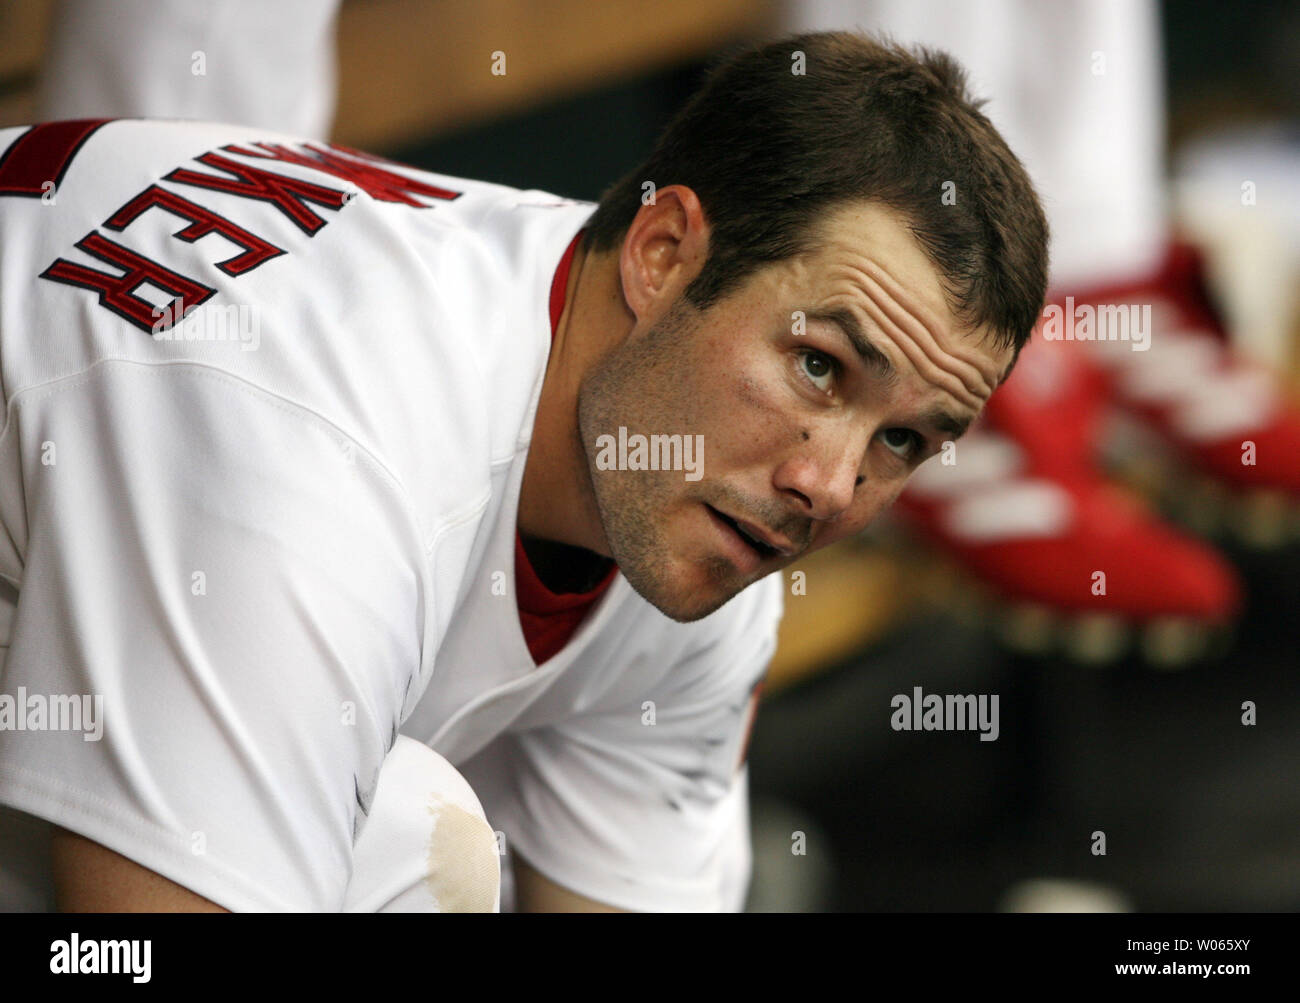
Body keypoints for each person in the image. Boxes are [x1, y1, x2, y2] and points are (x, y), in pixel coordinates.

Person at [0, 31, 1047, 912]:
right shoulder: (318, 449)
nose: (829, 484)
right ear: (663, 253)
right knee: (416, 842)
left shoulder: (699, 484)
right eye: (819, 366)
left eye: (902, 441)